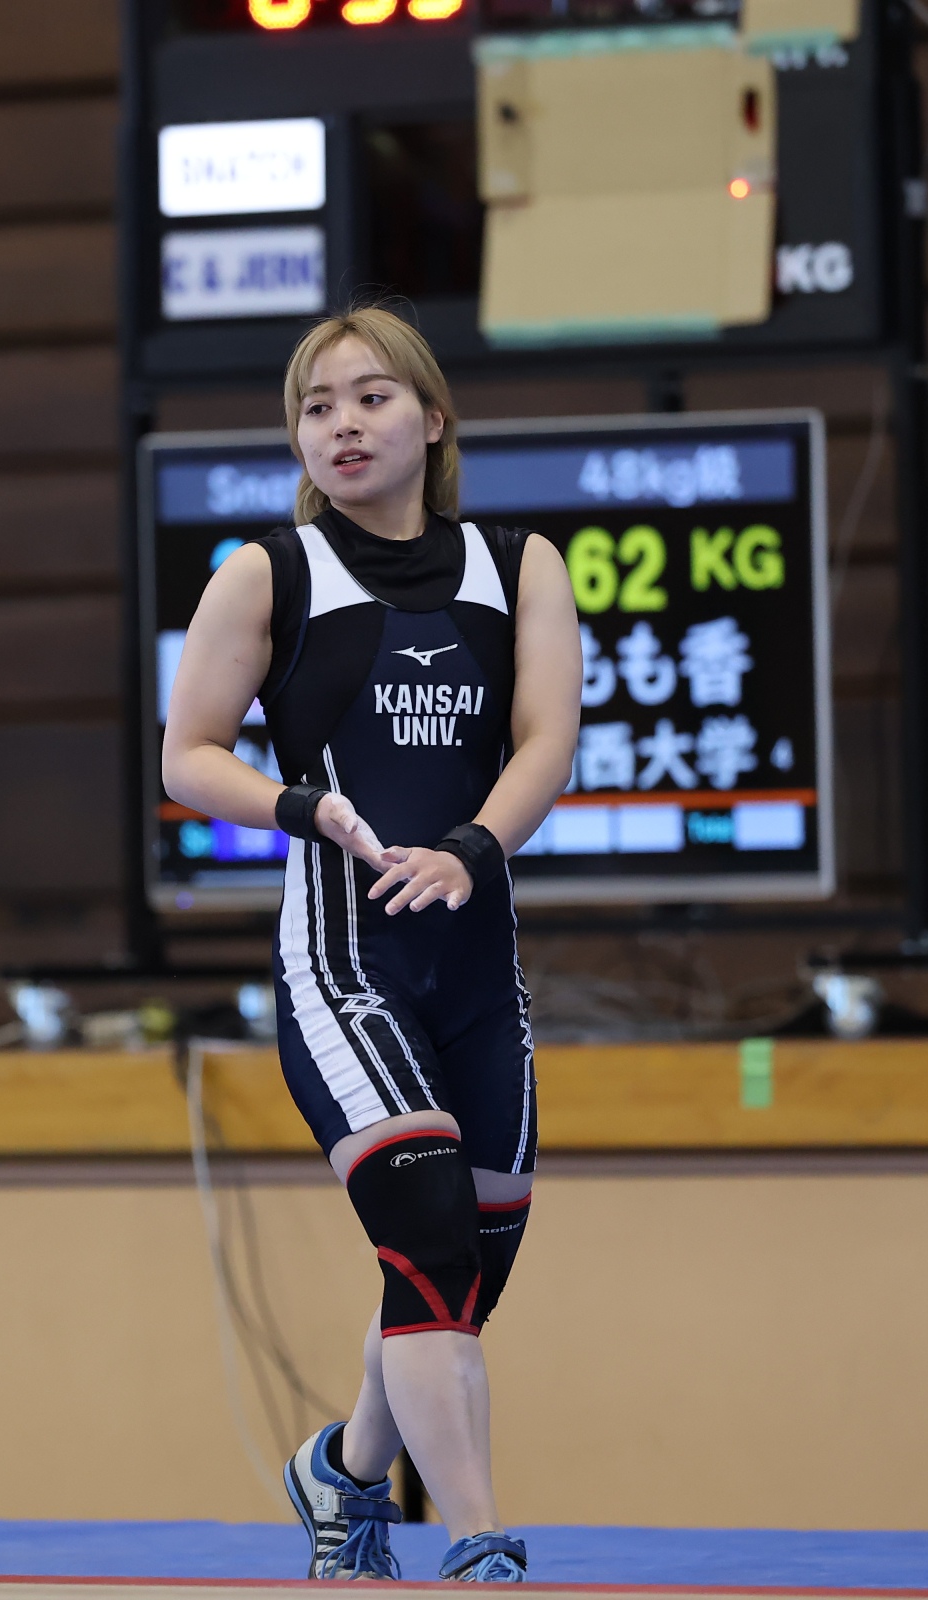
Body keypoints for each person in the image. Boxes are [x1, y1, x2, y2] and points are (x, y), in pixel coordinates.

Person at [161, 306, 582, 1583]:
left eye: (371, 396)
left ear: (434, 418)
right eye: (315, 406)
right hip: (345, 966)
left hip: (478, 968)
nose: (341, 424)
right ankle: (478, 1543)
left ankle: (340, 1470)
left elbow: (547, 741)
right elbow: (187, 758)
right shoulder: (267, 574)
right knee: (430, 1225)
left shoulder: (521, 565)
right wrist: (303, 809)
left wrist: (471, 847)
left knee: (460, 1262)